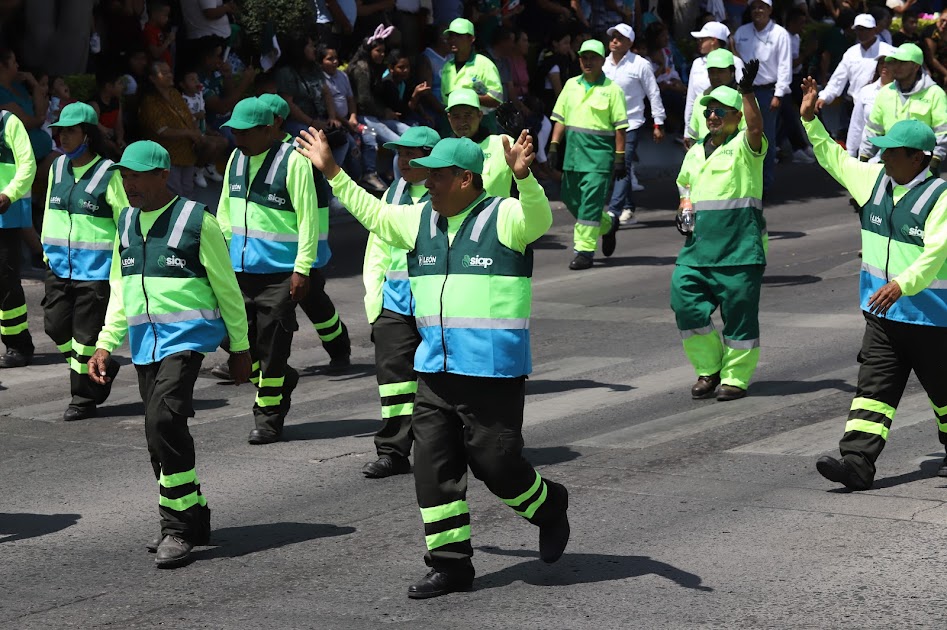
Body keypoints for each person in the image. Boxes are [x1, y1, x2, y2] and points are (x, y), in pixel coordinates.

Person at [297, 129, 570, 599]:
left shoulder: (503, 216)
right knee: (432, 467)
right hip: (436, 372)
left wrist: (525, 179)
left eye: (437, 177)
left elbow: (537, 219)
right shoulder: (420, 219)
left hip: (491, 373)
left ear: (466, 179)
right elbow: (374, 213)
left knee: (496, 465)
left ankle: (548, 506)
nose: (427, 185)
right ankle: (451, 565)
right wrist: (332, 172)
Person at [88, 140, 251, 568]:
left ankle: (176, 529)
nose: (129, 183)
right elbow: (120, 290)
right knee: (158, 437)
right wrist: (106, 343)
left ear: (163, 175)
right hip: (145, 343)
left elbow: (227, 288)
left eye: (137, 175)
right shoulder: (124, 222)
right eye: (124, 176)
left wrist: (240, 347)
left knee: (163, 420)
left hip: (188, 339)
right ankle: (193, 515)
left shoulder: (198, 220)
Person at [798, 77, 947, 491]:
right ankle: (857, 463)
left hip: (933, 318)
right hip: (882, 315)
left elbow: (937, 252)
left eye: (891, 152)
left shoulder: (941, 197)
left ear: (917, 159)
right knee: (873, 390)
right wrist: (810, 120)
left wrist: (903, 283)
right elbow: (833, 157)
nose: (882, 157)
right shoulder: (873, 181)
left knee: (944, 393)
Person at [216, 98, 319, 445]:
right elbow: (225, 214)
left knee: (273, 348)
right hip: (238, 271)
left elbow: (308, 219)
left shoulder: (294, 162)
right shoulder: (235, 159)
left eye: (244, 132)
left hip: (279, 274)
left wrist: (302, 269)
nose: (237, 139)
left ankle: (268, 418)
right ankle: (282, 378)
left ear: (267, 130)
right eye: (233, 132)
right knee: (235, 340)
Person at [671, 64, 767, 402]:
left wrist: (748, 93)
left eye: (720, 111)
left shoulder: (745, 145)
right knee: (685, 303)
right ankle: (709, 367)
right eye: (708, 110)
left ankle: (735, 377)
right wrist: (684, 204)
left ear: (736, 116)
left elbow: (755, 126)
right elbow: (685, 182)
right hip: (697, 251)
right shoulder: (696, 150)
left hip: (739, 250)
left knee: (739, 318)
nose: (712, 116)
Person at [360, 126, 440, 479]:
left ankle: (446, 445)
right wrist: (374, 303)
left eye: (413, 154)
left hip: (435, 306)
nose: (404, 161)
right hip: (395, 303)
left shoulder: (445, 194)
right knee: (393, 381)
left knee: (441, 379)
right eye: (401, 154)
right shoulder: (393, 192)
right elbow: (376, 249)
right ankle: (392, 451)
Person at [41, 103, 126, 420]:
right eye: (60, 130)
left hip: (96, 271)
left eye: (70, 131)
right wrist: (46, 250)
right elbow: (51, 212)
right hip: (59, 267)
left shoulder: (109, 174)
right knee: (54, 326)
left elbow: (123, 221)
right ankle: (102, 368)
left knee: (85, 337)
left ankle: (84, 397)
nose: (63, 136)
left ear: (87, 135)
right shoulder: (57, 167)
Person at [549, 38, 628, 271]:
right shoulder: (571, 85)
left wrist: (619, 157)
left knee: (589, 206)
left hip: (598, 159)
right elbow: (560, 118)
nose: (588, 61)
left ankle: (584, 251)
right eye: (584, 57)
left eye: (593, 57)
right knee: (571, 199)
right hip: (573, 157)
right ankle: (608, 225)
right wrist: (554, 145)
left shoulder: (612, 90)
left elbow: (620, 127)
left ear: (603, 60)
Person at [603, 23, 665, 226]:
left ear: (629, 43)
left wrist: (658, 122)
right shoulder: (603, 65)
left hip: (631, 124)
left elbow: (653, 93)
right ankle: (628, 206)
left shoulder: (640, 64)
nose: (614, 41)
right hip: (607, 125)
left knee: (623, 164)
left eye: (619, 38)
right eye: (613, 37)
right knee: (620, 167)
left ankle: (613, 210)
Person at [138, 61, 229, 198]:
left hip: (187, 152)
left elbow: (189, 117)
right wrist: (189, 133)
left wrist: (197, 134)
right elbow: (162, 130)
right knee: (174, 195)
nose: (169, 75)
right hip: (168, 156)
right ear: (152, 78)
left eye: (169, 71)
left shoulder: (174, 93)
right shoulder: (150, 102)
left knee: (187, 193)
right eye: (164, 73)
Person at [733, 0, 791, 194]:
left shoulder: (780, 33)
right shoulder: (742, 32)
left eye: (762, 7)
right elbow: (737, 60)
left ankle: (764, 184)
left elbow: (785, 65)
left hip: (768, 92)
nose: (758, 11)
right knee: (743, 136)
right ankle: (746, 182)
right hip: (745, 91)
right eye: (754, 7)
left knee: (766, 138)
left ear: (769, 9)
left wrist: (779, 94)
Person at [859, 43, 947, 169]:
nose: (896, 66)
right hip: (888, 164)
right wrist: (863, 160)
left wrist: (933, 163)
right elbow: (872, 130)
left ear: (916, 66)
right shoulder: (885, 93)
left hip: (921, 165)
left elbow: (943, 132)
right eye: (894, 62)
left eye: (902, 62)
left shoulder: (935, 93)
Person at [0, 108, 37, 368]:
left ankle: (18, 344)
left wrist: (9, 194)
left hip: (5, 214)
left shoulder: (8, 123)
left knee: (5, 281)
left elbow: (28, 164)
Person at [816, 14, 895, 117]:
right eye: (858, 29)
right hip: (855, 106)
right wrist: (825, 96)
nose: (862, 33)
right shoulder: (851, 53)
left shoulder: (889, 51)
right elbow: (838, 78)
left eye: (865, 29)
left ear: (874, 30)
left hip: (883, 105)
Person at [685, 21, 745, 148]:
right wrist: (687, 131)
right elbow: (691, 98)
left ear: (714, 40)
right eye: (711, 72)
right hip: (703, 142)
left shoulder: (736, 63)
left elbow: (750, 131)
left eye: (721, 71)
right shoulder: (697, 65)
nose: (715, 76)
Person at [446, 88, 512, 196]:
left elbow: (527, 157)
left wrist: (522, 132)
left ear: (480, 115)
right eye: (456, 116)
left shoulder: (502, 143)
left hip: (497, 212)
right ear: (449, 118)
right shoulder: (444, 150)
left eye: (468, 115)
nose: (462, 122)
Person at [440, 18, 504, 112]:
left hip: (482, 121)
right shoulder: (447, 67)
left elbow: (496, 99)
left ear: (471, 39)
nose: (453, 40)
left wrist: (464, 98)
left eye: (458, 36)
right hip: (453, 121)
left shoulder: (484, 64)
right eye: (450, 36)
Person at [847, 55, 892, 161]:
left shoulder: (904, 93)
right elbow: (856, 125)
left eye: (889, 63)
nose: (884, 66)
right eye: (881, 63)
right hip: (867, 157)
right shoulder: (866, 91)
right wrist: (850, 153)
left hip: (894, 158)